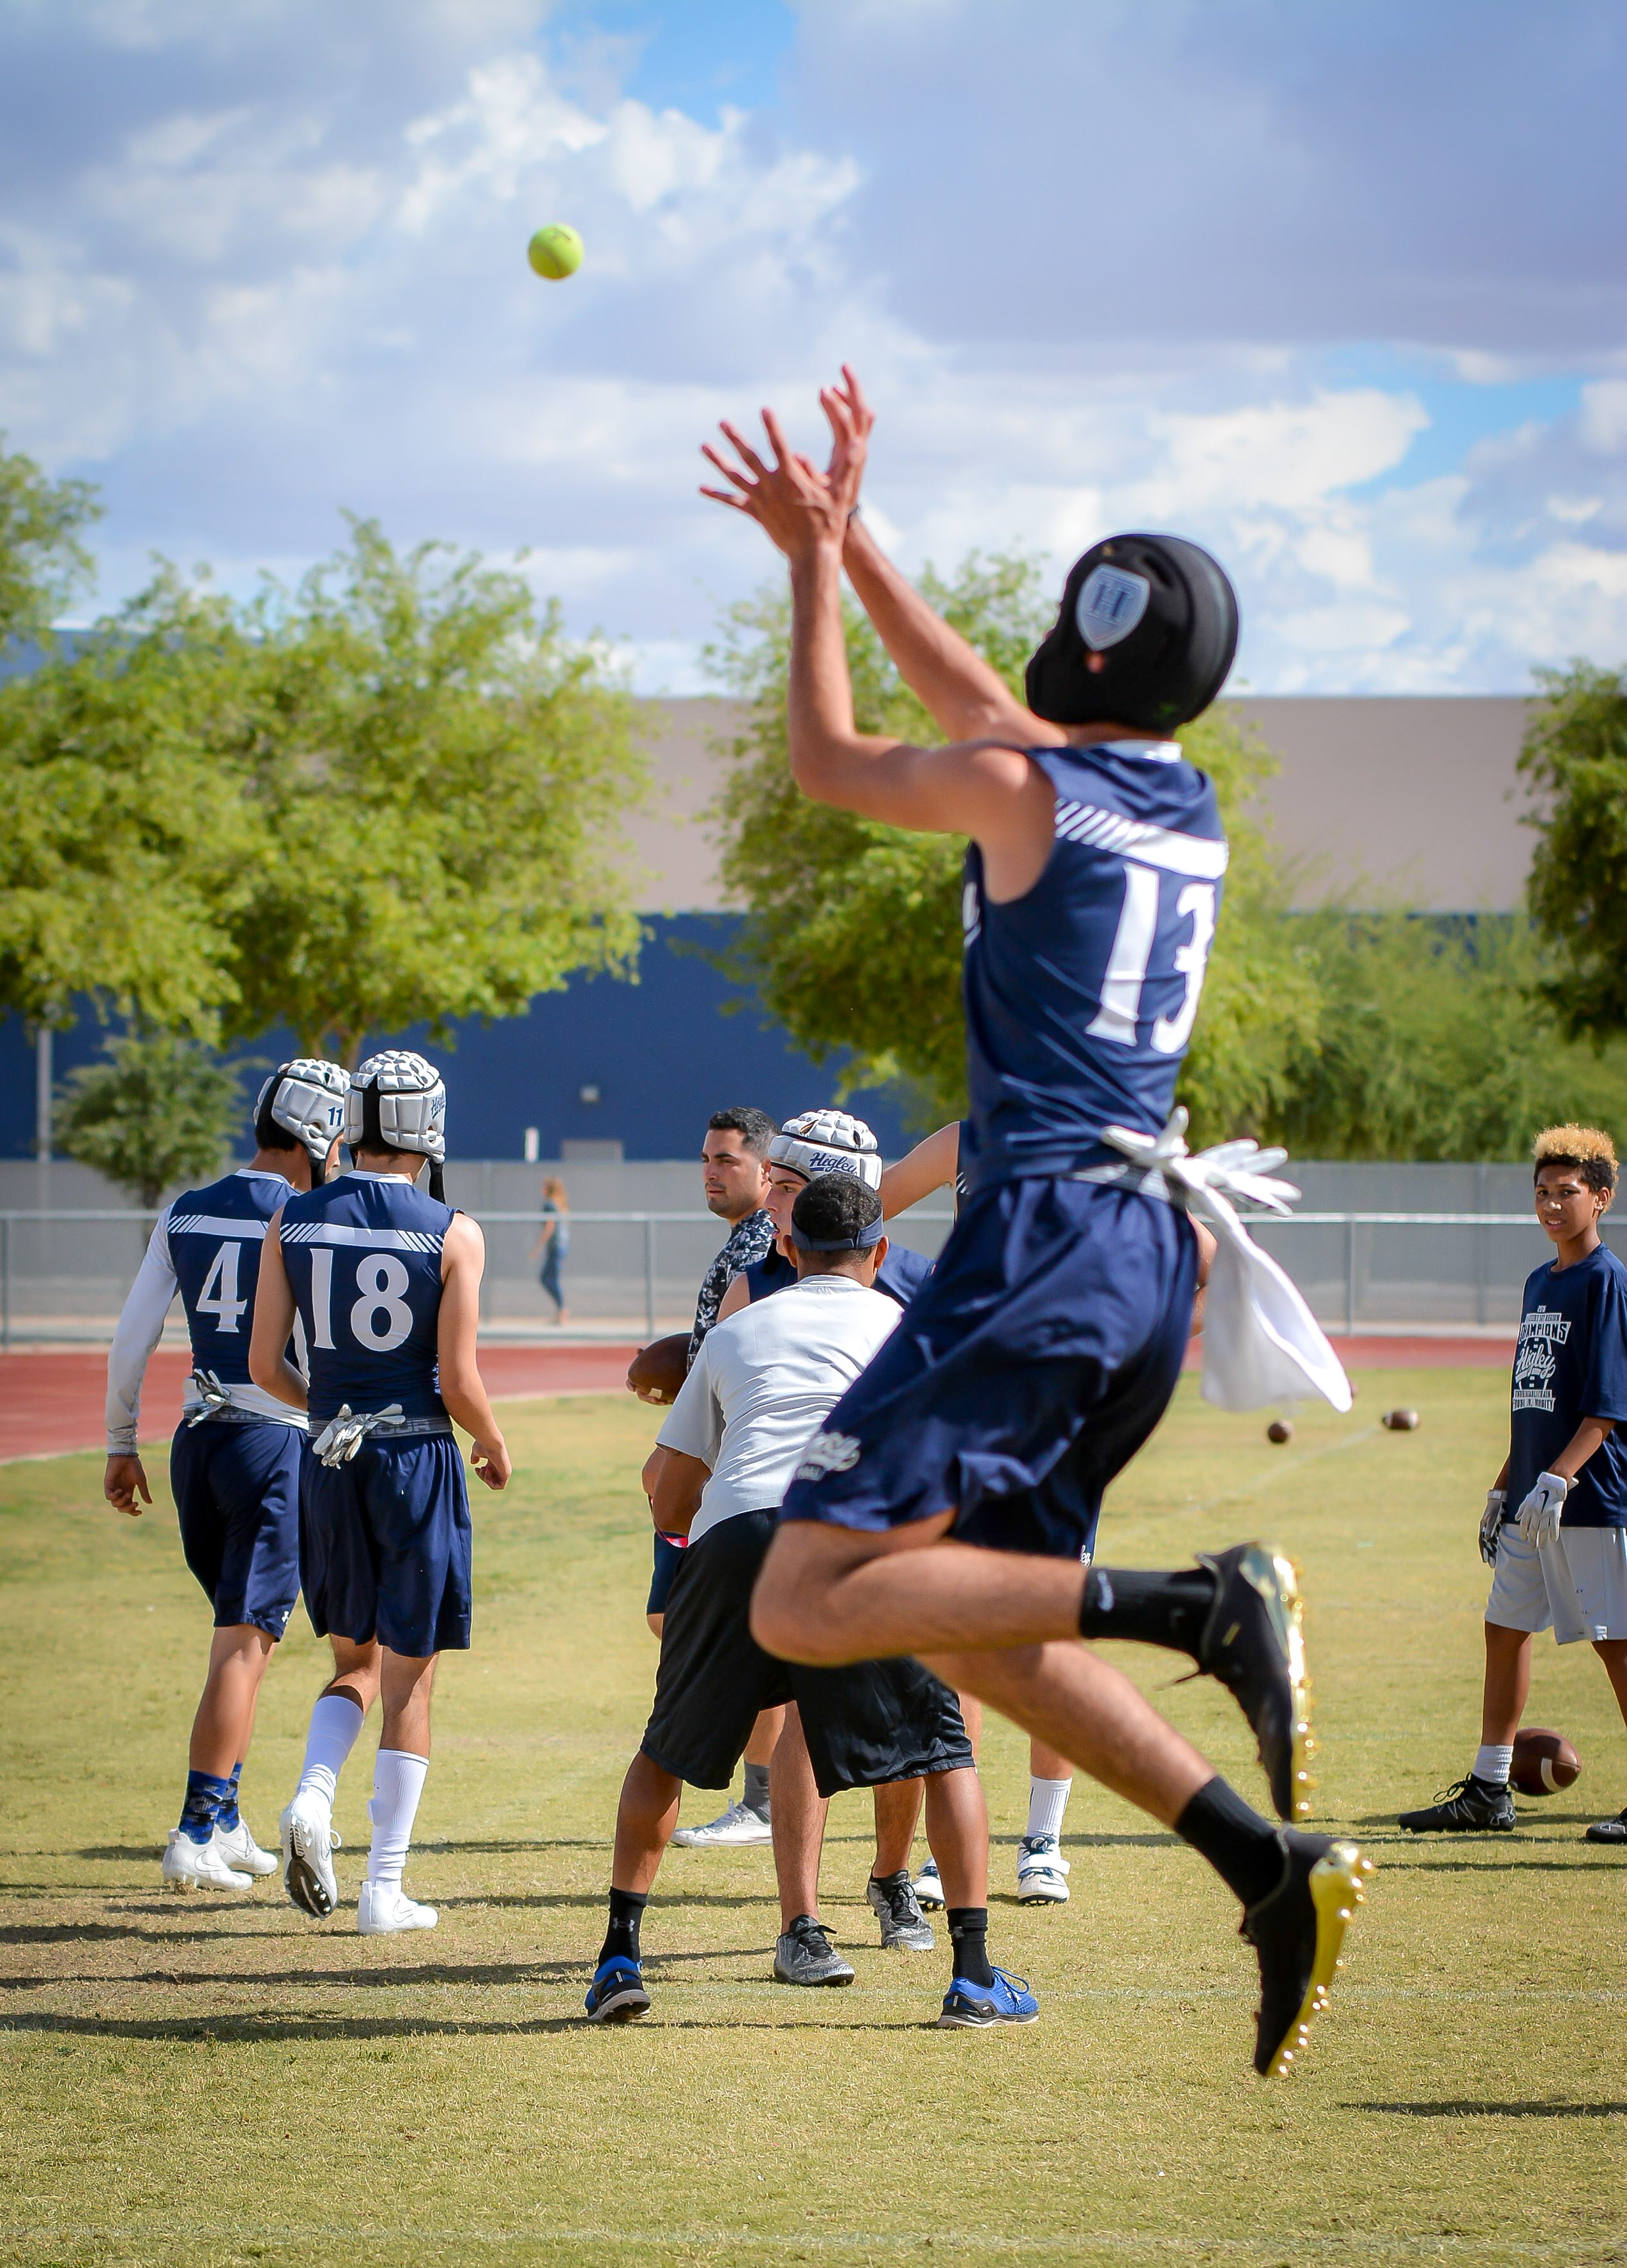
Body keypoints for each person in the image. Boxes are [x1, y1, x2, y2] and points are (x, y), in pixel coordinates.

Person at [702, 367, 1368, 2080]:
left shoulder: (1028, 788)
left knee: (800, 1594)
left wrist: (806, 566)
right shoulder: (1169, 802)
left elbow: (828, 759)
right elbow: (992, 711)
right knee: (955, 1609)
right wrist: (855, 540)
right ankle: (1260, 1861)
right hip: (1139, 1248)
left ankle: (1202, 1604)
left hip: (1050, 1232)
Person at [586, 1174, 1032, 2028]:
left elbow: (666, 1492)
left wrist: (704, 1535)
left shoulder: (736, 1331)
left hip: (740, 1531)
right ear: (879, 1252)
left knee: (664, 1750)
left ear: (787, 1249)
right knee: (945, 1752)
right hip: (857, 1535)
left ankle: (617, 1959)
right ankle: (972, 1974)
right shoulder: (913, 1332)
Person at [248, 1050, 511, 1934]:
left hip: (329, 1462)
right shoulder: (455, 1231)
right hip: (417, 1461)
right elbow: (458, 1380)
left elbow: (264, 1365)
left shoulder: (290, 1216)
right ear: (428, 1126)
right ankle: (383, 1889)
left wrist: (332, 1415)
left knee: (352, 1663)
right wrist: (492, 1439)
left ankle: (312, 1795)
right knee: (411, 1681)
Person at [103, 1059, 350, 1891]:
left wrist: (120, 1440)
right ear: (316, 1134)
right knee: (245, 1645)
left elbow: (132, 1336)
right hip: (270, 1444)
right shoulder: (308, 1215)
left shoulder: (185, 1208)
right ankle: (195, 1827)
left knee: (238, 1646)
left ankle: (230, 1816)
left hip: (196, 1442)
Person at [1400, 1125, 1627, 1841]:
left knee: (1617, 1643)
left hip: (1586, 1495)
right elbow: (1535, 1399)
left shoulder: (1607, 1280)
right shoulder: (1538, 1281)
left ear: (1601, 1197)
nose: (1552, 1205)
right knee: (1503, 1630)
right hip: (1532, 1496)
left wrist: (1558, 1478)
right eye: (1542, 1192)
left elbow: (1606, 1407)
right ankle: (1489, 1789)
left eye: (1568, 1192)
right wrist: (1506, 1484)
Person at [655, 1105, 786, 1848]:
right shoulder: (743, 1239)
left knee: (739, 1631)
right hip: (712, 1452)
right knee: (677, 1618)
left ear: (766, 1170)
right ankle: (763, 1793)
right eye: (706, 1158)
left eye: (727, 1160)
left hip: (734, 1463)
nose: (711, 1171)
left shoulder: (764, 1242)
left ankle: (764, 1797)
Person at [530, 1176, 570, 1323]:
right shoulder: (558, 1204)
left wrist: (538, 1247)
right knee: (549, 1278)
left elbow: (550, 1226)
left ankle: (562, 1309)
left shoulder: (550, 1205)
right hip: (561, 1246)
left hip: (556, 1246)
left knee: (548, 1279)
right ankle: (561, 1309)